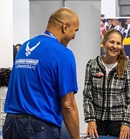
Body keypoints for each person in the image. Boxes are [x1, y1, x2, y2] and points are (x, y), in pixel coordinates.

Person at [3, 7, 80, 139]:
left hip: (11, 124)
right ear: (65, 27)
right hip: (38, 128)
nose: (74, 36)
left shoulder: (24, 48)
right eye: (75, 31)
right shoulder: (63, 53)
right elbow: (68, 105)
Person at [83, 29, 130, 139]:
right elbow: (87, 96)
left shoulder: (129, 66)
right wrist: (90, 120)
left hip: (120, 123)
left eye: (118, 43)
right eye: (111, 42)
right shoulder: (92, 64)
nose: (115, 46)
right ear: (104, 43)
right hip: (97, 121)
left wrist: (127, 123)